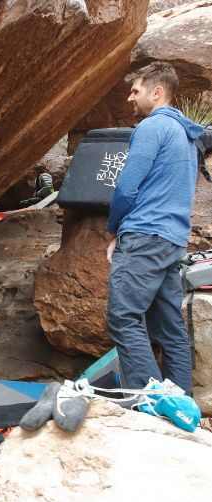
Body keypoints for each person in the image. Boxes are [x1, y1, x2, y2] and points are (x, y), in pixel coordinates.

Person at [105, 61, 205, 395]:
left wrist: (112, 231)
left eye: (136, 91)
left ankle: (152, 404)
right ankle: (181, 406)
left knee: (123, 319)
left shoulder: (152, 127)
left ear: (157, 92)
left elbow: (126, 187)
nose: (130, 98)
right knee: (170, 328)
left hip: (144, 236)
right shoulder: (189, 136)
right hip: (173, 241)